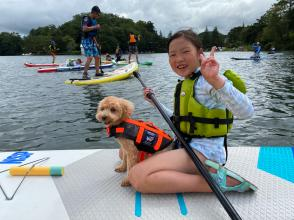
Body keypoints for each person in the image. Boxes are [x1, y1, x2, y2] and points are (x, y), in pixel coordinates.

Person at [128, 29, 257, 194]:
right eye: (172, 54)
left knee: (137, 177)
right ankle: (199, 176)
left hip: (205, 153)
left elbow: (247, 112)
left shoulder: (208, 81)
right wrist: (155, 103)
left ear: (199, 54)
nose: (178, 59)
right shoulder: (187, 82)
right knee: (129, 153)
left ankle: (218, 183)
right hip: (185, 146)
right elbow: (178, 120)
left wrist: (216, 79)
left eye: (185, 51)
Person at [81, 5, 102, 79]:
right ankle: (85, 74)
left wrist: (97, 44)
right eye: (98, 14)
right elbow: (84, 29)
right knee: (90, 57)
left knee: (97, 57)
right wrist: (95, 27)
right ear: (94, 12)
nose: (98, 16)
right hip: (86, 40)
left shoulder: (94, 20)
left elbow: (93, 35)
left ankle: (97, 73)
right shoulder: (86, 18)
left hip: (92, 40)